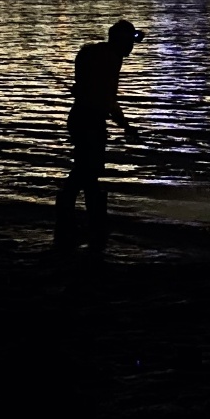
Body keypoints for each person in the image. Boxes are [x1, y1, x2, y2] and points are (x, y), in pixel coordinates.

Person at [54, 18, 144, 248]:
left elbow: (93, 90)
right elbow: (108, 99)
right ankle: (79, 218)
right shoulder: (112, 59)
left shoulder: (94, 53)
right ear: (121, 41)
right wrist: (126, 125)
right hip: (89, 122)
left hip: (80, 118)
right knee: (86, 171)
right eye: (130, 41)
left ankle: (84, 220)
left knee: (87, 172)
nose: (132, 47)